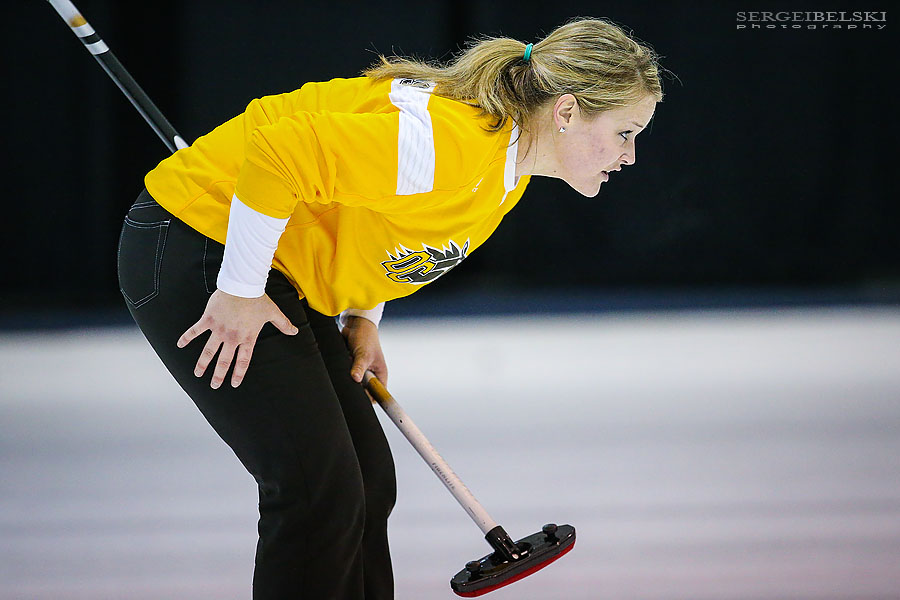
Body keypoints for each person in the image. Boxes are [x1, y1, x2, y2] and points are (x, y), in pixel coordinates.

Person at [116, 16, 664, 600]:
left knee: (369, 482)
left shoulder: (505, 170)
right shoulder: (450, 144)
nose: (630, 156)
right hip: (200, 246)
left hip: (271, 267)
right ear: (567, 111)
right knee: (314, 488)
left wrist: (361, 317)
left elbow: (382, 222)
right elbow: (278, 154)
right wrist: (242, 290)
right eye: (626, 132)